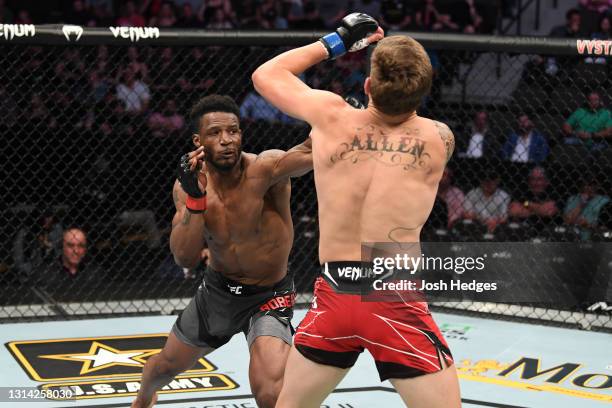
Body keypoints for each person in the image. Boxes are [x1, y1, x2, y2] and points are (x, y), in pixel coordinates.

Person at [252, 14, 460, 408]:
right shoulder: (439, 138)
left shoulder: (331, 118)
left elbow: (267, 74)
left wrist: (338, 41)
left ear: (367, 85)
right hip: (392, 295)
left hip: (335, 294)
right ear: (422, 95)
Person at [131, 95, 313, 408]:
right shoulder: (188, 186)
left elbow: (312, 151)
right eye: (215, 133)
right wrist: (195, 198)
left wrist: (342, 121)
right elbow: (184, 258)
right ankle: (143, 399)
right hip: (219, 294)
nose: (227, 140)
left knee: (270, 393)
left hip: (269, 295)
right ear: (198, 141)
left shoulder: (266, 169)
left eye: (234, 131)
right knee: (162, 369)